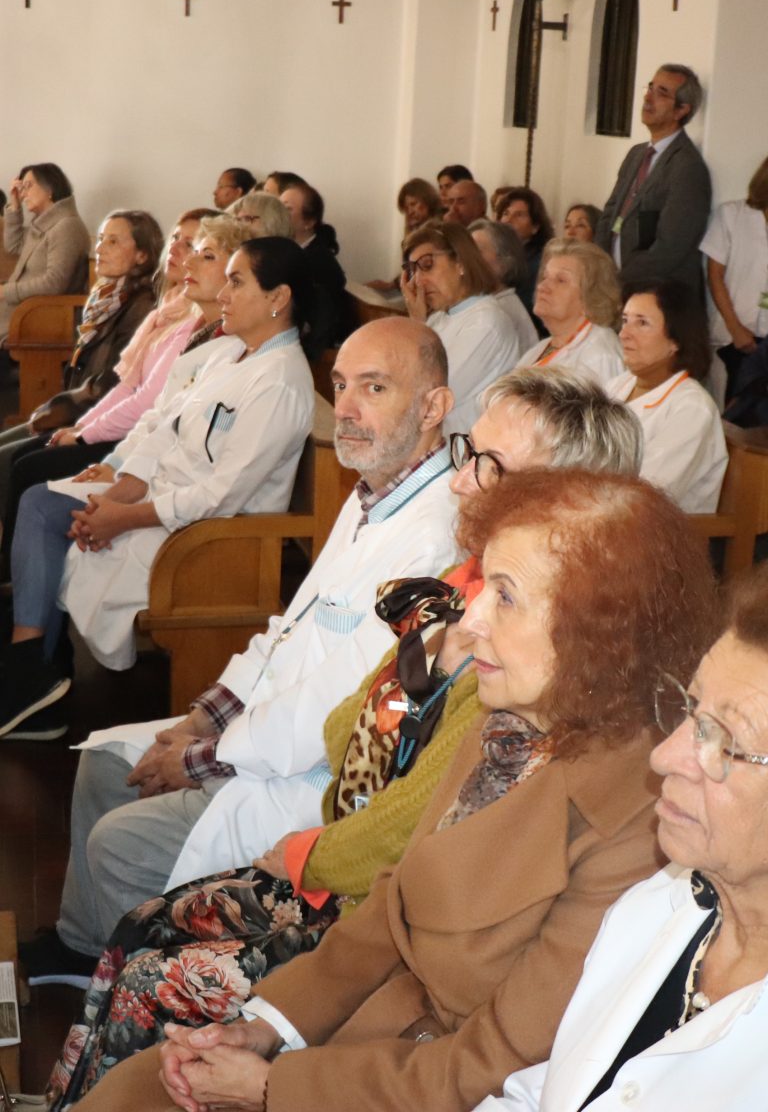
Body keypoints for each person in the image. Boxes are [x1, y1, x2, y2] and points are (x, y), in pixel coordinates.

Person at [43, 367, 645, 1104]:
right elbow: (343, 728)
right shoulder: (456, 594)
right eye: (469, 454)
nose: (459, 481)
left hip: (372, 935)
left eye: (491, 466)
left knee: (150, 975)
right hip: (363, 893)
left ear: (568, 501)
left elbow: (408, 845)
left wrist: (310, 856)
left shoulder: (532, 694)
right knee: (141, 928)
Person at [21, 317, 461, 977]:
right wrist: (201, 719)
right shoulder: (373, 496)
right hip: (267, 734)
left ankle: (129, 990)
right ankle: (84, 946)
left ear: (433, 407)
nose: (346, 408)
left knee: (119, 841)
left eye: (374, 388)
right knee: (105, 764)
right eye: (342, 385)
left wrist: (201, 758)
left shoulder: (432, 538)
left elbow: (337, 709)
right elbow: (290, 629)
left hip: (315, 778)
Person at [473, 562, 768, 1112]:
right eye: (690, 709)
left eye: (725, 740)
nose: (665, 757)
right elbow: (547, 1095)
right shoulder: (659, 903)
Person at [0, 236, 317, 735]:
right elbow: (163, 427)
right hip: (158, 500)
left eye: (237, 282)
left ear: (278, 297)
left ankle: (32, 673)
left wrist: (123, 517)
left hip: (206, 541)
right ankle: (36, 669)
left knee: (46, 513)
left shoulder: (279, 382)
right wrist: (114, 498)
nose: (224, 295)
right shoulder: (231, 353)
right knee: (41, 502)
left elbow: (221, 496)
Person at [0, 210, 220, 569]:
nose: (100, 248)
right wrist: (79, 425)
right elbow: (125, 382)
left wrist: (82, 432)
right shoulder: (155, 306)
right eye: (176, 239)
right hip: (104, 421)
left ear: (142, 254)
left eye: (193, 246)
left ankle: (11, 568)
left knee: (23, 466)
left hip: (123, 436)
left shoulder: (161, 311)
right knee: (13, 453)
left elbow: (137, 396)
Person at [0, 209, 163, 529]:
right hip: (80, 411)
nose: (100, 248)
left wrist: (62, 413)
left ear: (142, 255)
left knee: (11, 463)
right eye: (100, 239)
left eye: (113, 241)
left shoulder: (142, 306)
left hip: (104, 425)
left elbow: (112, 382)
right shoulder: (105, 297)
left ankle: (9, 550)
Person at [606, 280, 727, 513]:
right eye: (625, 321)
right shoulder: (618, 385)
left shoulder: (692, 408)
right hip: (605, 512)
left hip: (651, 527)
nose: (624, 334)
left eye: (642, 323)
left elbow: (649, 494)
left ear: (675, 340)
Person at [401, 222, 527, 433]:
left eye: (427, 265)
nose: (419, 281)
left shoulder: (486, 322)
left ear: (460, 263)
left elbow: (431, 393)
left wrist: (417, 325)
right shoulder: (439, 318)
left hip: (463, 446)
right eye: (413, 270)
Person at [594, 65, 711, 292]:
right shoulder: (637, 154)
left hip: (655, 292)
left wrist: (620, 282)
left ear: (681, 110)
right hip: (613, 282)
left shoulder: (687, 167)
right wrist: (601, 267)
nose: (648, 98)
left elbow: (671, 247)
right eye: (650, 88)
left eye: (661, 93)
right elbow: (610, 213)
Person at [701, 155, 768, 399]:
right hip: (731, 336)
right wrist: (735, 328)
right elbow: (715, 275)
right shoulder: (732, 215)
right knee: (726, 408)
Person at [516, 240, 624, 387]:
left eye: (561, 280)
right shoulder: (540, 348)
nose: (543, 286)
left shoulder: (600, 354)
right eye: (545, 277)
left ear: (591, 295)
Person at [0, 163, 90, 336]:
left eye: (28, 186)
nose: (23, 194)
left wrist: (6, 291)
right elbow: (14, 245)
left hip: (38, 319)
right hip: (22, 315)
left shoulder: (67, 226)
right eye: (22, 188)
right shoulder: (48, 224)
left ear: (50, 189)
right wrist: (15, 204)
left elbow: (54, 282)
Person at [279, 181, 356, 348]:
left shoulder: (319, 262)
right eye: (278, 207)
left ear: (309, 221)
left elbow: (318, 324)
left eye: (287, 209)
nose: (279, 215)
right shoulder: (292, 253)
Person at [469, 219, 538, 351]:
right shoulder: (486, 303)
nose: (466, 260)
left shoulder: (502, 311)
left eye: (477, 251)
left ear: (504, 261)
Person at [496, 187, 554, 317]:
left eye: (519, 215)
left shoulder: (540, 263)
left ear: (535, 227)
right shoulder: (496, 256)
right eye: (506, 213)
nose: (509, 220)